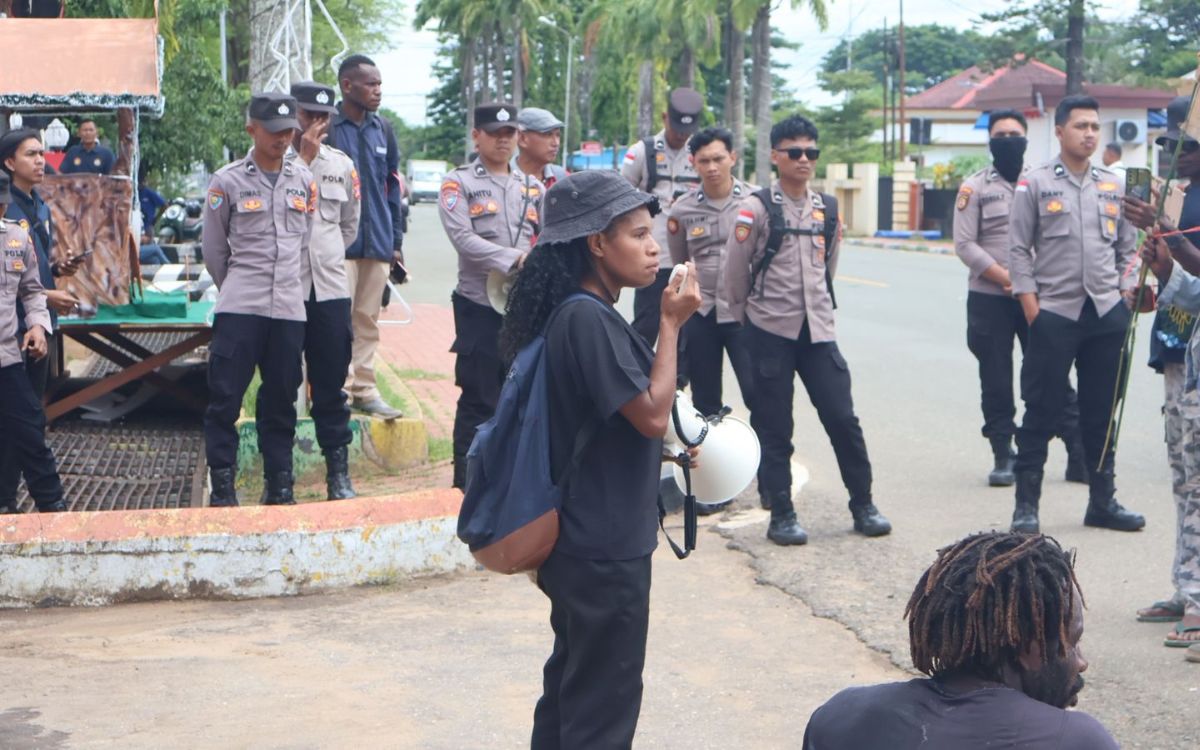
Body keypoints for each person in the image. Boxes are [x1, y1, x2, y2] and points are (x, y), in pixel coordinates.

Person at [497, 170, 701, 749]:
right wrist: (670, 322)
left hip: (584, 537)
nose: (654, 247)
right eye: (637, 235)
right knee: (602, 709)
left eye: (651, 233)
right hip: (603, 546)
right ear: (596, 244)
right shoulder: (585, 317)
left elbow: (617, 420)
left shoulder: (581, 312)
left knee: (572, 689)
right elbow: (652, 415)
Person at [724, 114, 891, 545]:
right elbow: (735, 275)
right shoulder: (756, 209)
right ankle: (781, 513)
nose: (804, 159)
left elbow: (828, 267)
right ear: (775, 156)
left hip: (818, 334)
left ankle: (864, 505)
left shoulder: (827, 209)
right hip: (768, 333)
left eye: (811, 152)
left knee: (843, 419)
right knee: (774, 427)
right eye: (795, 152)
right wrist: (748, 322)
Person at [803, 531, 1118, 749]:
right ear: (1029, 648)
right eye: (1072, 641)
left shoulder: (841, 715)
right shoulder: (1073, 741)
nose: (1081, 662)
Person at [1007, 95, 1145, 534]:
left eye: (1094, 127)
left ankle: (1102, 502)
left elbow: (1127, 249)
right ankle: (1026, 506)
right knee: (1041, 410)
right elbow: (1017, 250)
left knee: (1102, 413)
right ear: (1060, 131)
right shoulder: (1035, 183)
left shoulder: (1114, 185)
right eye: (1080, 126)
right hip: (1055, 313)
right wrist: (1032, 307)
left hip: (1105, 313)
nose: (1089, 134)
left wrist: (1126, 293)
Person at [953, 109, 1087, 488]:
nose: (1008, 141)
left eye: (1015, 134)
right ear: (990, 141)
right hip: (989, 299)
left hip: (1039, 297)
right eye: (1001, 135)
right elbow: (965, 244)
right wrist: (1008, 278)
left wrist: (1032, 282)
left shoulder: (1041, 182)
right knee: (996, 377)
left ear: (1027, 138)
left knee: (1051, 371)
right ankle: (1002, 454)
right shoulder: (974, 188)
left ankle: (1078, 451)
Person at [201, 93, 315, 507]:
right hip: (240, 308)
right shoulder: (226, 181)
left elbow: (304, 243)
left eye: (289, 131)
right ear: (252, 129)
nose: (283, 139)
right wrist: (237, 287)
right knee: (224, 399)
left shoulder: (304, 180)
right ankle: (223, 489)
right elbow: (214, 250)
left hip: (288, 309)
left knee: (282, 399)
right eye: (274, 131)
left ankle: (280, 485)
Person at [1126, 96, 1200, 649]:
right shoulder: (1177, 192)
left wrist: (1169, 235)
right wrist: (1160, 273)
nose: (1175, 153)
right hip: (1183, 351)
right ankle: (1187, 584)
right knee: (1184, 476)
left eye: (1185, 144)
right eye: (1169, 143)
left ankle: (1197, 598)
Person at [439, 102, 543, 490]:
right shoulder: (458, 183)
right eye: (494, 134)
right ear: (476, 136)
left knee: (520, 395)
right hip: (478, 305)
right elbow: (463, 240)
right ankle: (466, 483)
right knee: (478, 396)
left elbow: (546, 236)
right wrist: (516, 258)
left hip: (522, 307)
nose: (503, 141)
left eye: (509, 134)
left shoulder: (532, 187)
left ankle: (508, 481)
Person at [666, 126, 756, 515]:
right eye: (704, 160)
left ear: (733, 158)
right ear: (693, 163)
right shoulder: (682, 210)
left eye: (719, 158)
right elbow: (680, 260)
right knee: (705, 401)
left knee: (760, 395)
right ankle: (715, 485)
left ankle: (771, 480)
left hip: (743, 314)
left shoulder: (755, 202)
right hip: (701, 315)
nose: (712, 167)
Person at [0, 130, 82, 512]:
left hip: (20, 342)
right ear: (9, 162)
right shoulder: (14, 211)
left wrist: (39, 318)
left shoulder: (28, 217)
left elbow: (29, 282)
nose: (40, 160)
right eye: (30, 154)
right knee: (23, 426)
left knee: (25, 424)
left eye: (41, 153)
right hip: (12, 337)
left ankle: (25, 506)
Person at [289, 80, 362, 501]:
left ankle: (338, 474)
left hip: (330, 289)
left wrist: (325, 254)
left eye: (323, 116)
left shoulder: (342, 165)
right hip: (285, 291)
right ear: (292, 114)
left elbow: (348, 226)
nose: (317, 123)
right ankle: (280, 478)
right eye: (308, 115)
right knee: (282, 384)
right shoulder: (273, 162)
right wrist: (303, 158)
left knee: (331, 384)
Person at [330, 53, 405, 419]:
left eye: (380, 84)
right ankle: (336, 391)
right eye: (370, 84)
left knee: (367, 321)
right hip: (337, 247)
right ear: (347, 86)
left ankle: (364, 390)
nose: (378, 90)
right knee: (337, 322)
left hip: (377, 244)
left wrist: (396, 243)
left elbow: (392, 186)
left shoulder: (383, 129)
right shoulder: (328, 127)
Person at [620, 87, 703, 349]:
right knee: (646, 325)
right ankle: (636, 371)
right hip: (653, 256)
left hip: (690, 257)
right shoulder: (642, 152)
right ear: (665, 117)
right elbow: (621, 196)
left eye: (687, 130)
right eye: (677, 127)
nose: (681, 135)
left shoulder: (701, 154)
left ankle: (678, 375)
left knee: (688, 332)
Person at [515, 107, 569, 188]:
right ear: (522, 138)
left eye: (558, 135)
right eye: (548, 134)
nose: (556, 143)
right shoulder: (501, 179)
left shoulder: (563, 179)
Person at [137, 162, 170, 265]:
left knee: (154, 260)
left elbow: (164, 204)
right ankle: (170, 267)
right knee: (154, 250)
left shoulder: (148, 193)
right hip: (137, 234)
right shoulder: (133, 194)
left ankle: (166, 271)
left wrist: (155, 219)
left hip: (147, 228)